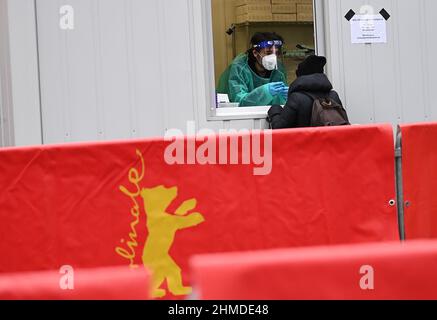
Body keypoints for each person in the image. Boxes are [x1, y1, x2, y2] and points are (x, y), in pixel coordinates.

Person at [267, 55, 344, 129]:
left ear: (301, 76)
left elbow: (279, 127)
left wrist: (275, 109)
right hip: (330, 141)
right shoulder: (333, 96)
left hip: (305, 142)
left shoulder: (296, 98)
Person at [217, 32, 289, 107]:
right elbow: (239, 102)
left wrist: (282, 97)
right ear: (255, 53)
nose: (273, 57)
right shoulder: (239, 68)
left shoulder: (278, 70)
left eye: (276, 53)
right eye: (268, 53)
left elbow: (279, 103)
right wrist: (264, 92)